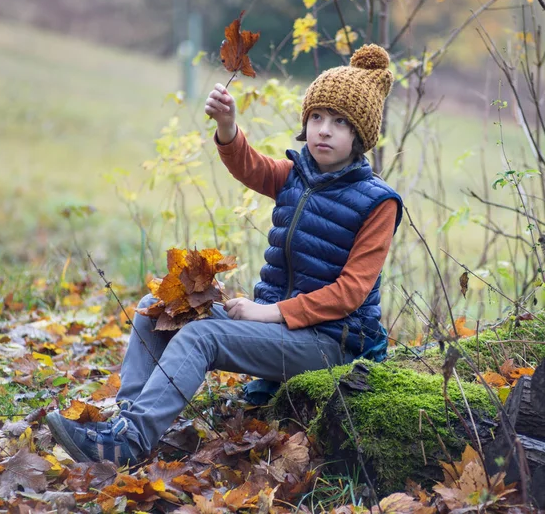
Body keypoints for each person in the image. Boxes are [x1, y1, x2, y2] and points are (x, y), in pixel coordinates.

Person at [46, 43, 403, 467]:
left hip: (334, 343)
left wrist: (269, 313)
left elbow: (350, 293)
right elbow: (249, 166)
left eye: (340, 123)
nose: (324, 130)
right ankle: (124, 425)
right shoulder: (296, 176)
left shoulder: (377, 202)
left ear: (360, 137)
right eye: (317, 117)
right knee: (156, 308)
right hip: (282, 329)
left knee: (203, 335)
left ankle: (129, 443)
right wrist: (228, 127)